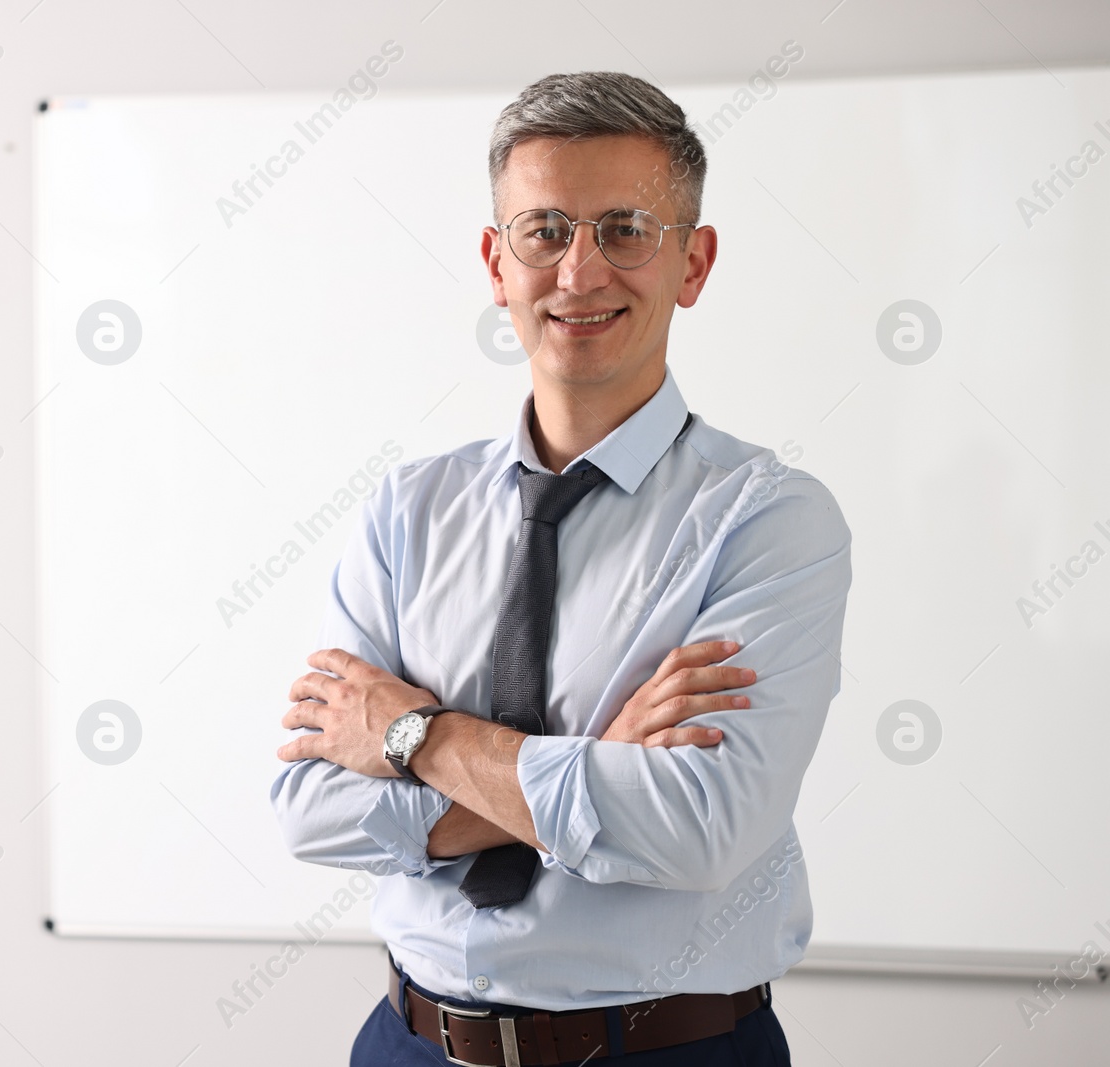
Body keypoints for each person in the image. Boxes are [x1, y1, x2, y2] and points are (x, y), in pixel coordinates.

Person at [269, 71, 852, 1066]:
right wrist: (591, 760)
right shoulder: (405, 512)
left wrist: (415, 732)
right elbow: (310, 810)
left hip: (667, 1049)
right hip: (409, 1043)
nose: (579, 272)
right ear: (497, 263)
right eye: (543, 231)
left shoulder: (768, 519)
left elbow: (695, 828)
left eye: (625, 228)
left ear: (693, 262)